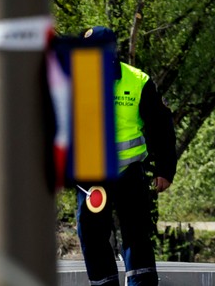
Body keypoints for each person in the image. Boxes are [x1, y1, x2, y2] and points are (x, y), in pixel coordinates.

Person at [76, 27, 178, 286]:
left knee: (136, 234)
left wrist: (165, 169)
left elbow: (161, 126)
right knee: (91, 234)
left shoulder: (137, 81)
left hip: (128, 172)